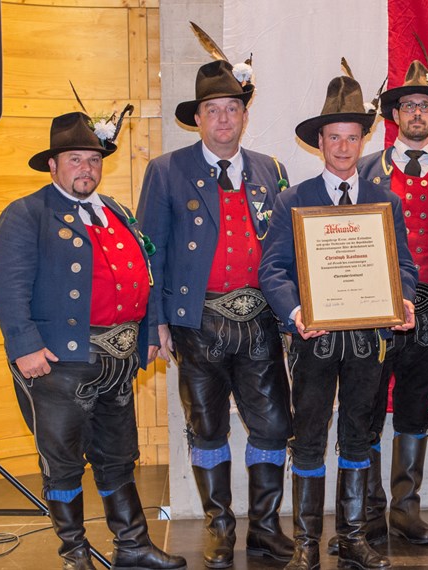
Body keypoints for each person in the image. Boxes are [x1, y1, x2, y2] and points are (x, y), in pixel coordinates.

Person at [0, 112, 185, 570]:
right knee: (64, 463)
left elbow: (146, 275)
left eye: (93, 159)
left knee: (118, 456)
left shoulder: (116, 210)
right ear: (53, 165)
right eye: (75, 159)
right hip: (58, 363)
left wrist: (150, 329)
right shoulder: (28, 213)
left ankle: (132, 546)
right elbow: (5, 284)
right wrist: (24, 347)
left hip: (116, 362)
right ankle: (75, 555)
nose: (86, 169)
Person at [259, 70, 419, 570]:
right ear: (320, 142)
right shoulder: (293, 200)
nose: (344, 147)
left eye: (353, 137)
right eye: (335, 138)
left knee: (358, 435)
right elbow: (273, 269)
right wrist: (295, 310)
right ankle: (307, 543)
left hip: (370, 340)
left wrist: (405, 299)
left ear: (363, 140)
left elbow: (405, 267)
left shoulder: (385, 201)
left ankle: (351, 536)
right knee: (307, 437)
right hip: (315, 339)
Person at [137, 59, 294, 569]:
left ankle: (266, 528)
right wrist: (155, 322)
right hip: (195, 323)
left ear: (244, 117)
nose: (223, 119)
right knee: (206, 427)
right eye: (213, 110)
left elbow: (289, 251)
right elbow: (149, 252)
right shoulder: (166, 170)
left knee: (271, 426)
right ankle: (219, 527)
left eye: (232, 109)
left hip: (261, 321)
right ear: (197, 119)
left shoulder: (271, 169)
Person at [324, 60, 428, 553]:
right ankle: (368, 514)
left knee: (416, 408)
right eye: (407, 105)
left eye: (425, 105)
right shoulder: (367, 170)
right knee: (367, 408)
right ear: (394, 114)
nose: (416, 113)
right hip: (376, 309)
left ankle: (406, 508)